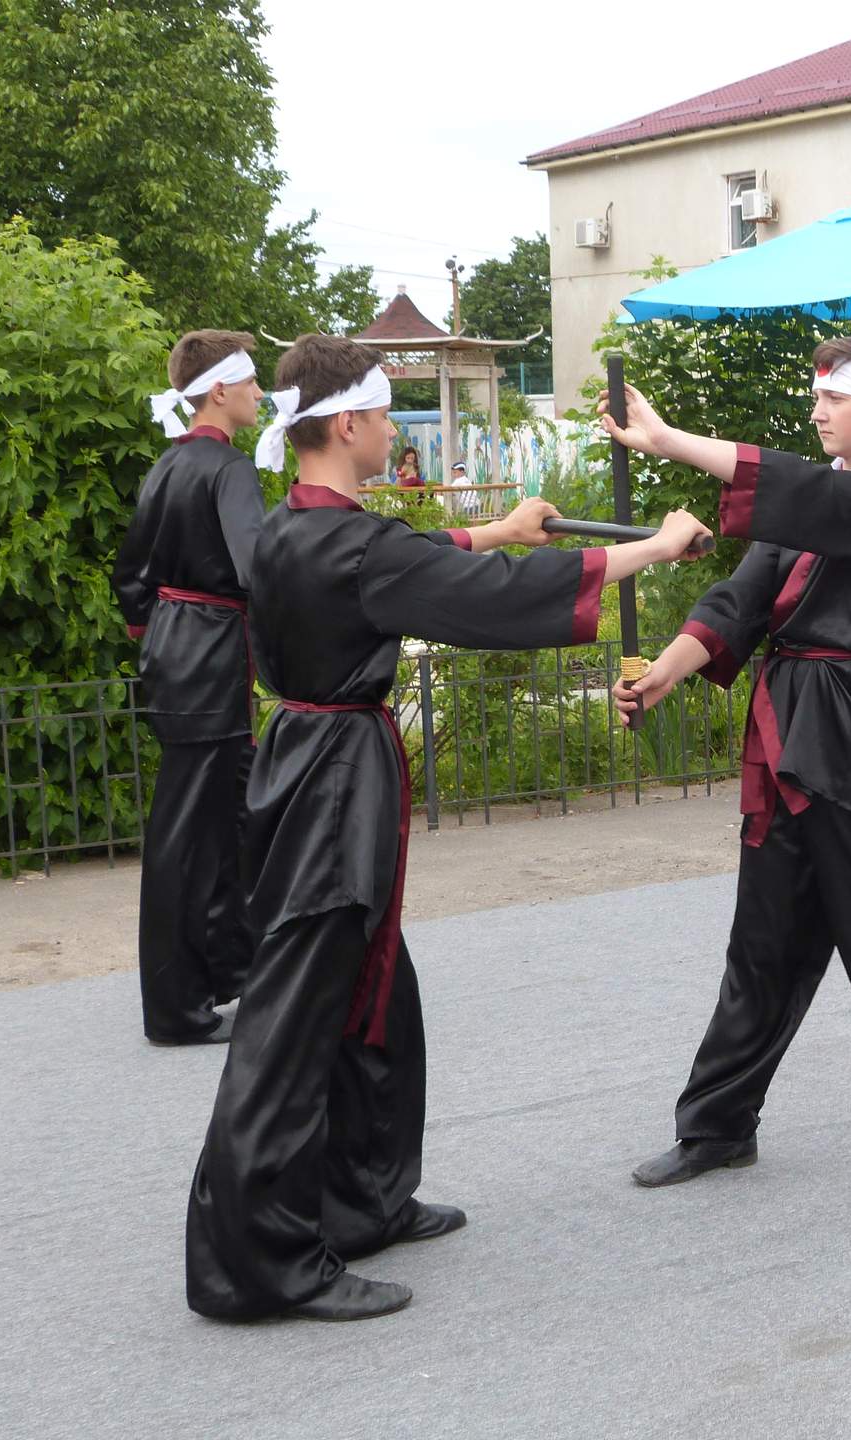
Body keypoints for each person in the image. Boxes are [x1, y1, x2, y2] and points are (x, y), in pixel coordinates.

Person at [185, 333, 710, 1323]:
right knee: (298, 1016)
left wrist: (504, 528)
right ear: (348, 424)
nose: (393, 431)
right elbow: (474, 598)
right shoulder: (348, 545)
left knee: (375, 990)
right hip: (335, 785)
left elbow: (412, 562)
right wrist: (654, 545)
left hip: (310, 765)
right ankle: (260, 1262)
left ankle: (364, 1199)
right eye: (386, 416)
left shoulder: (292, 529)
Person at [603, 330, 851, 1191]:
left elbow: (804, 494)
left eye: (834, 399)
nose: (817, 412)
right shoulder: (816, 510)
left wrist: (667, 442)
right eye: (815, 399)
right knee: (763, 945)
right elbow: (741, 601)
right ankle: (716, 1125)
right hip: (790, 732)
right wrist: (666, 671)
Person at [113, 330, 267, 1045]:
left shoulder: (165, 467)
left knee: (232, 820)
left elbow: (131, 586)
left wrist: (165, 641)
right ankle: (175, 1009)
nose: (261, 394)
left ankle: (231, 971)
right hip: (209, 659)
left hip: (178, 656)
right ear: (219, 390)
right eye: (252, 381)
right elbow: (257, 569)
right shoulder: (228, 470)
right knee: (190, 838)